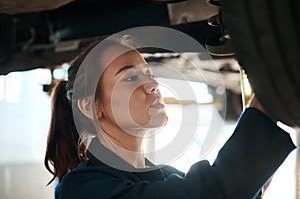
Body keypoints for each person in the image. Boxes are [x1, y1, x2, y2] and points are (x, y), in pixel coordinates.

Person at [44, 36, 296, 199]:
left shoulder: (163, 175)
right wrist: (266, 99)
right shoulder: (82, 190)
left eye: (148, 73)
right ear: (90, 106)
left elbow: (229, 190)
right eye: (131, 78)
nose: (152, 84)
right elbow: (213, 194)